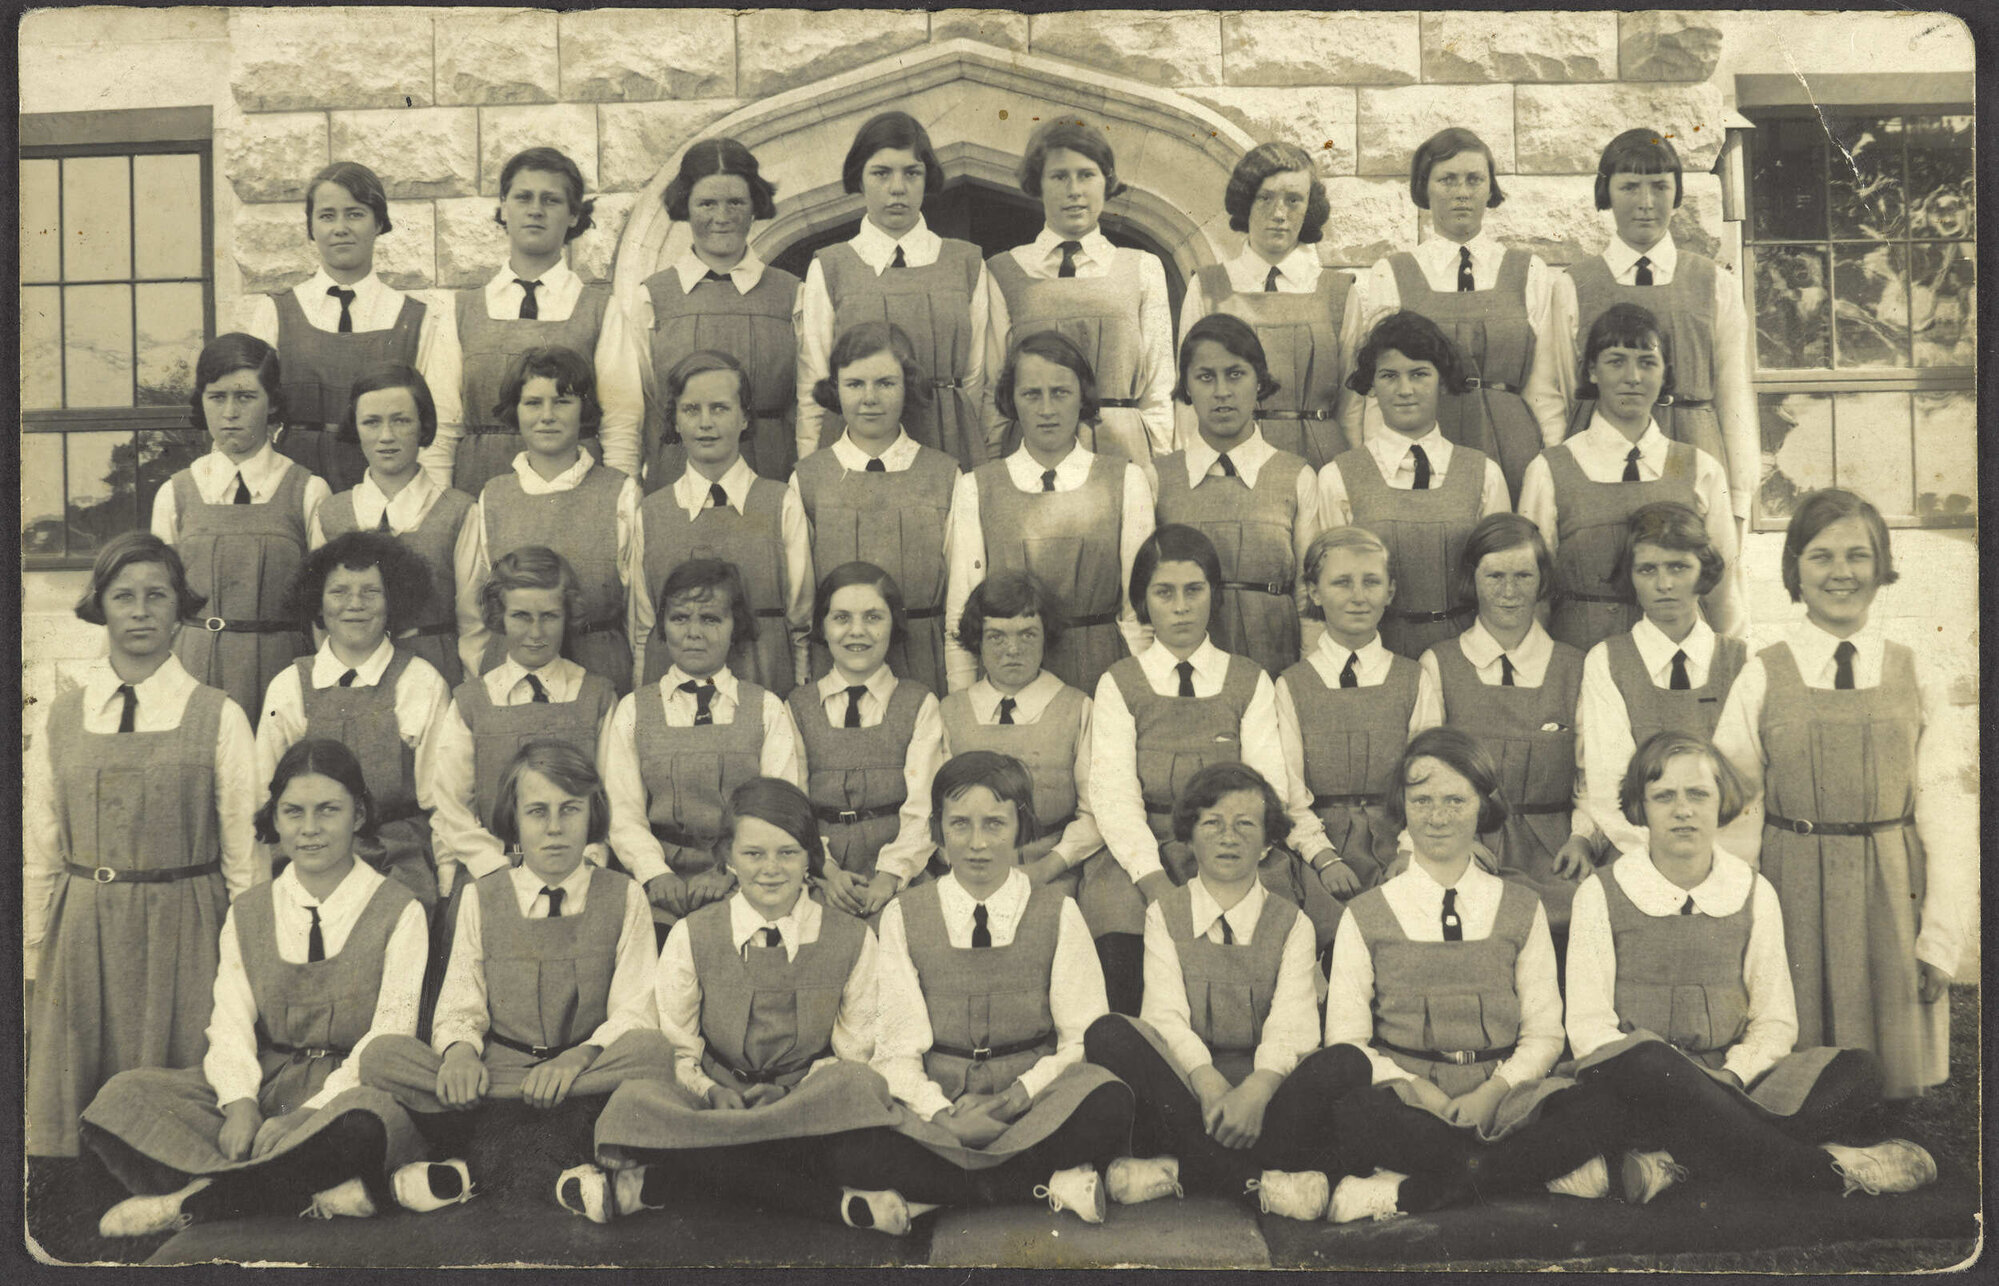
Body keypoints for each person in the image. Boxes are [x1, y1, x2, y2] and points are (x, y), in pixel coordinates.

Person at [81, 739, 444, 1235]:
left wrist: (304, 1117)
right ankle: (312, 1191)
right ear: (275, 818)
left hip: (348, 1093)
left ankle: (196, 1202)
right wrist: (241, 1107)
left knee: (365, 1124)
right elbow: (230, 1023)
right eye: (293, 812)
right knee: (123, 1096)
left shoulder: (399, 909)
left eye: (328, 811)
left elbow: (388, 1038)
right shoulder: (250, 910)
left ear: (358, 815)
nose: (310, 829)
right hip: (268, 1086)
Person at [1564, 731, 1937, 1202]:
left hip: (1735, 1082)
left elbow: (1775, 1020)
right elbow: (1589, 1029)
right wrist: (1679, 1083)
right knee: (1646, 1059)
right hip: (1640, 1084)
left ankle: (1668, 1162)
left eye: (1698, 794)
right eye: (1664, 797)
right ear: (1640, 808)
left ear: (1722, 803)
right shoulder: (1601, 893)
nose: (1683, 810)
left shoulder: (1753, 889)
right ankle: (1822, 1169)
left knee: (1858, 1070)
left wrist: (1731, 1078)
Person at [1711, 489, 1972, 1100]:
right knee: (1795, 1083)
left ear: (1882, 565)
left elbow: (1949, 815)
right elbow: (1732, 808)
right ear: (1794, 568)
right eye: (1822, 556)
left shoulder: (1917, 669)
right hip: (1792, 883)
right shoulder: (1761, 673)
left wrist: (1938, 938)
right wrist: (1735, 920)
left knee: (1886, 1093)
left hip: (1891, 888)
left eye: (1858, 555)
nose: (1841, 573)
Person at [569, 779, 908, 1232]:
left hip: (802, 1101)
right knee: (636, 1099)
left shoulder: (852, 938)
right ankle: (829, 1202)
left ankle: (669, 1182)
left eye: (788, 852)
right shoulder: (694, 933)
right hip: (714, 1098)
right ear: (727, 858)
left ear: (811, 858)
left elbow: (853, 1052)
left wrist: (790, 1093)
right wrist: (710, 1091)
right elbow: (679, 1045)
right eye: (753, 854)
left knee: (859, 1087)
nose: (770, 869)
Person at [1317, 728, 1627, 1222]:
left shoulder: (1522, 907)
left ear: (1483, 806)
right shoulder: (1366, 912)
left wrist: (1493, 1093)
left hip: (1505, 1098)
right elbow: (1348, 1041)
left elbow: (1545, 1033)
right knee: (1351, 1113)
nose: (1438, 817)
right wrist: (1424, 1093)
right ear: (1402, 807)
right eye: (1422, 801)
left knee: (1599, 1108)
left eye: (1455, 800)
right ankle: (1532, 1175)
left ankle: (1408, 1192)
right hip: (1408, 1098)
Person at [361, 740, 677, 1207]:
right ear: (513, 818)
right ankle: (573, 1170)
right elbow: (459, 1005)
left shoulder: (624, 895)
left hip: (581, 1075)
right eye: (537, 812)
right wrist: (461, 1056)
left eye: (569, 810)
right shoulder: (480, 897)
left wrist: (575, 1061)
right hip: (498, 1076)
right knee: (382, 1057)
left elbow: (635, 1009)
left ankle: (469, 1169)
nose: (554, 828)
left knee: (651, 1052)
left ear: (592, 815)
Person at [25, 534, 258, 1160]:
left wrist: (245, 957)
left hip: (186, 927)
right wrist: (30, 954)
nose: (140, 610)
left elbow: (242, 858)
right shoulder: (62, 716)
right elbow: (41, 847)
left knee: (174, 1112)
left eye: (158, 595)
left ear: (180, 607)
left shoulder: (219, 715)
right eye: (123, 595)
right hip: (83, 929)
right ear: (99, 605)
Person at [831, 751, 1131, 1226]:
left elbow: (1080, 1040)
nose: (977, 844)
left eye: (994, 824)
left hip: (1032, 1106)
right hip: (935, 1112)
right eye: (959, 825)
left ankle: (944, 1190)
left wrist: (1011, 1100)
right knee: (851, 1122)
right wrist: (945, 1116)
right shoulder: (904, 915)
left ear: (1021, 827)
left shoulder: (1058, 911)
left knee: (1106, 1097)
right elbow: (895, 1051)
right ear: (938, 830)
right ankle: (1043, 1183)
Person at [1083, 763, 1353, 1221]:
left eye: (1245, 824)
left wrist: (1254, 1093)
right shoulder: (1164, 913)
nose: (1229, 837)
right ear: (1188, 836)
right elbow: (1164, 1018)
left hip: (1264, 1098)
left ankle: (1178, 1170)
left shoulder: (1293, 923)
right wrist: (1208, 1086)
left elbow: (1293, 1027)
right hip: (1189, 1089)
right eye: (1212, 823)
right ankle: (1255, 1183)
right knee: (1109, 1034)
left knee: (1347, 1062)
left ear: (1269, 841)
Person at [1089, 524, 1292, 1010]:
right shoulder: (1119, 683)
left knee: (1265, 927)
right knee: (1119, 931)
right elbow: (1114, 796)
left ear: (1214, 596)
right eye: (1164, 593)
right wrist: (1153, 879)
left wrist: (1223, 863)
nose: (1180, 607)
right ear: (1143, 602)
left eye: (1194, 591)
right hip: (1141, 853)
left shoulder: (1248, 681)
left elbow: (1268, 788)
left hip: (1231, 843)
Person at [1338, 129, 1571, 503]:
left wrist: (1555, 463)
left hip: (1514, 442)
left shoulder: (1529, 270)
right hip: (1426, 437)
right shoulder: (1393, 271)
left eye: (1474, 179)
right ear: (1424, 188)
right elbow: (1376, 393)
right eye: (1447, 179)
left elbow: (1545, 389)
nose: (1462, 192)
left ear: (1489, 189)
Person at [1518, 302, 1743, 655]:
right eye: (1616, 361)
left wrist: (1731, 662)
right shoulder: (1549, 470)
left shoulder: (1701, 468)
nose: (1632, 377)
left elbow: (1725, 587)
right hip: (1579, 652)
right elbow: (1533, 591)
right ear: (1592, 371)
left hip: (1676, 657)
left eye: (1647, 362)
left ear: (1664, 372)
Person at [1568, 129, 1757, 535]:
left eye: (1659, 186)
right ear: (1606, 193)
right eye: (1629, 186)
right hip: (1597, 450)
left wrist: (1739, 497)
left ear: (1676, 192)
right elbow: (1553, 392)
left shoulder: (1714, 283)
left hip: (1693, 446)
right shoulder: (1572, 285)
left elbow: (1734, 391)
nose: (1645, 203)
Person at [944, 331, 1153, 696]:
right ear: (1012, 400)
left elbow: (1138, 614)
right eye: (1031, 394)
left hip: (1105, 675)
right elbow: (962, 615)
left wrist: (1136, 693)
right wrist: (963, 702)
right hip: (1010, 678)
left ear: (1082, 397)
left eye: (1060, 393)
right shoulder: (977, 486)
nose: (1046, 410)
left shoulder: (1126, 481)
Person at [602, 558, 806, 934]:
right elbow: (623, 813)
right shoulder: (634, 710)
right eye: (680, 618)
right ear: (662, 625)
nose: (694, 632)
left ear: (735, 627)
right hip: (661, 883)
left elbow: (781, 809)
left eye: (710, 619)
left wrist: (728, 871)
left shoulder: (766, 707)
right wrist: (655, 875)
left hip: (744, 878)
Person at [256, 532, 452, 907]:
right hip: (307, 859)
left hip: (397, 863)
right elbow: (261, 798)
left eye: (371, 592)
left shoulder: (421, 682)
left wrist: (444, 886)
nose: (355, 605)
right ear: (318, 601)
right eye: (339, 592)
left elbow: (441, 802)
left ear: (393, 600)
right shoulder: (288, 687)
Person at [241, 161, 462, 493]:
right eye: (327, 216)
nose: (340, 227)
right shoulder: (275, 311)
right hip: (292, 484)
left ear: (378, 224)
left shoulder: (417, 319)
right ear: (311, 227)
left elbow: (439, 425)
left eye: (355, 214)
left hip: (387, 486)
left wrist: (429, 507)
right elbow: (249, 411)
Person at [1419, 515, 1593, 932]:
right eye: (1494, 576)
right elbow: (1426, 776)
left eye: (1523, 575)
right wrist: (1458, 842)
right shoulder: (1438, 664)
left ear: (1542, 581)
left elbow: (1592, 776)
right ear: (1471, 581)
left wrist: (1583, 838)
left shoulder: (1576, 667)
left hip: (1555, 854)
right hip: (1469, 849)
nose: (1510, 591)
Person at [434, 146, 642, 496]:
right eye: (523, 197)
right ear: (503, 207)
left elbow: (622, 423)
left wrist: (620, 500)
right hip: (481, 482)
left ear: (574, 215)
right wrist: (440, 507)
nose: (535, 211)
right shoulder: (461, 310)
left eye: (551, 200)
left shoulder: (599, 309)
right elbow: (441, 425)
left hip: (576, 486)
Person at [1274, 527, 1446, 947]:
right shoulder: (1291, 684)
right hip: (1321, 855)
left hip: (1402, 848)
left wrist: (1409, 852)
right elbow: (1288, 789)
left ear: (1390, 592)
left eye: (1371, 582)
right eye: (1341, 582)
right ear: (1314, 592)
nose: (1358, 596)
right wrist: (1322, 857)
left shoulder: (1413, 678)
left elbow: (1432, 778)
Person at [796, 111, 994, 470]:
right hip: (857, 445)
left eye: (912, 173)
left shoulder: (966, 262)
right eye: (881, 173)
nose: (897, 188)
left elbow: (978, 375)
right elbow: (814, 380)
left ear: (927, 178)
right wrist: (810, 471)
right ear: (860, 178)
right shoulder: (831, 265)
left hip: (947, 435)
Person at [986, 117, 1175, 486]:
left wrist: (1158, 463)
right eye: (1059, 177)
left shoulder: (1143, 267)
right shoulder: (1002, 269)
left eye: (1086, 175)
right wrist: (994, 463)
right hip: (1032, 450)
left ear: (1106, 182)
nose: (1075, 190)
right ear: (1038, 185)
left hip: (1123, 449)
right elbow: (992, 383)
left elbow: (1159, 383)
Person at [152, 332, 329, 725]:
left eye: (246, 396)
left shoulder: (308, 490)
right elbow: (160, 604)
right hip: (193, 671)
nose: (230, 412)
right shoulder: (175, 493)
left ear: (272, 404)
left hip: (282, 672)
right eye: (217, 397)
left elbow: (322, 610)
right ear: (202, 402)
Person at [427, 547, 621, 900]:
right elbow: (450, 806)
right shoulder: (472, 702)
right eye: (521, 616)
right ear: (500, 616)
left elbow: (614, 796)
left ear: (568, 615)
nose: (535, 632)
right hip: (492, 874)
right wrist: (494, 866)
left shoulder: (597, 697)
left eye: (549, 616)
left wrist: (590, 859)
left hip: (581, 874)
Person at [1319, 310, 1511, 660]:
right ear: (1372, 385)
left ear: (1441, 380)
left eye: (1420, 374)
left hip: (1467, 655)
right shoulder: (1337, 476)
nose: (1405, 390)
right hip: (1376, 655)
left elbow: (1502, 579)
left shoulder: (1484, 472)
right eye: (1389, 376)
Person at [457, 345, 642, 695]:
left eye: (562, 401)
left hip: (600, 670)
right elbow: (474, 617)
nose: (547, 415)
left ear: (583, 409)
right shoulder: (493, 497)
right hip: (512, 679)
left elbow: (638, 615)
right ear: (516, 410)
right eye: (533, 403)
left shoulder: (620, 493)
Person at [790, 321, 960, 695]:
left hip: (924, 662)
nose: (870, 398)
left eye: (885, 383)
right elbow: (800, 605)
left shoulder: (945, 474)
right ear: (835, 389)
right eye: (855, 384)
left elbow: (960, 596)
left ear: (907, 386)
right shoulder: (808, 478)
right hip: (835, 666)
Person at [632, 349, 812, 696]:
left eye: (719, 408)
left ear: (744, 418)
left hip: (764, 677)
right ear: (676, 421)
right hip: (673, 688)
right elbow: (642, 628)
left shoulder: (781, 503)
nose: (705, 423)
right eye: (691, 410)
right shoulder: (651, 513)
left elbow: (801, 621)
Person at [1575, 502, 1748, 860]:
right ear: (1631, 576)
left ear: (1704, 572)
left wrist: (1714, 859)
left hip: (1730, 856)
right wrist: (1663, 858)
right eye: (1647, 569)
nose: (1664, 584)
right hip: (1637, 854)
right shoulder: (1606, 662)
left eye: (1679, 567)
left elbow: (1747, 782)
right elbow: (1608, 788)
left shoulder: (1742, 661)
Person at [1156, 314, 1323, 678]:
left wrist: (1307, 679)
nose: (1221, 391)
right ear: (1186, 387)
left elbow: (1309, 601)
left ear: (1259, 381)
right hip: (1183, 670)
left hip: (1276, 661)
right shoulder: (1156, 477)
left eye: (1235, 374)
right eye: (1205, 377)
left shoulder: (1296, 476)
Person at [1177, 141, 1352, 469]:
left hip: (1322, 460)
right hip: (1228, 459)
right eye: (1265, 197)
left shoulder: (1337, 292)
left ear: (1309, 207)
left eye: (1293, 200)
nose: (1279, 214)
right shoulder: (1207, 286)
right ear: (1245, 202)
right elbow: (1187, 399)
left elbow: (1353, 404)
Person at [787, 562, 945, 920]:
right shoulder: (796, 707)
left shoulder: (920, 703)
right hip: (820, 878)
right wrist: (826, 873)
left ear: (894, 624)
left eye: (873, 617)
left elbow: (926, 806)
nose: (857, 632)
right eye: (841, 618)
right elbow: (792, 806)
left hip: (904, 875)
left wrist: (889, 877)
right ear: (822, 628)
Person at [639, 138, 800, 485]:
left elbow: (809, 403)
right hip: (678, 471)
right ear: (686, 206)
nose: (722, 217)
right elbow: (643, 406)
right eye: (707, 204)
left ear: (755, 205)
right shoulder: (651, 297)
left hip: (771, 468)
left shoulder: (793, 293)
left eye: (736, 202)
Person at [939, 573, 1104, 911]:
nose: (1012, 650)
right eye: (996, 636)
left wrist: (1048, 867)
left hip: (1053, 872)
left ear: (1047, 637)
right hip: (965, 875)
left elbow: (1095, 812)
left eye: (1027, 635)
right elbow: (932, 814)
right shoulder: (948, 712)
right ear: (977, 642)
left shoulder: (1077, 707)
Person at [310, 364, 479, 688]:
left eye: (401, 421)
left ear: (423, 426)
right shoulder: (330, 514)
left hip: (437, 671)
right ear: (356, 429)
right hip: (354, 676)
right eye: (371, 422)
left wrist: (469, 695)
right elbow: (321, 620)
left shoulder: (459, 511)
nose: (386, 436)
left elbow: (474, 624)